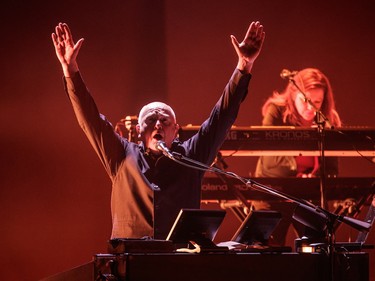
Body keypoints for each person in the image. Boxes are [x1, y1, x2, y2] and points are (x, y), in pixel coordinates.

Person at [51, 21, 265, 240]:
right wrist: (70, 71)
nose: (158, 125)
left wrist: (244, 66)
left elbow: (222, 117)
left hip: (177, 262)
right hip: (131, 262)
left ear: (176, 130)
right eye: (151, 120)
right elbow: (90, 120)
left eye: (164, 120)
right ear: (138, 130)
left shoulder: (190, 157)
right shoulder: (122, 156)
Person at [253, 68, 342, 246]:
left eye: (317, 101)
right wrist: (297, 176)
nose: (311, 107)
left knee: (319, 247)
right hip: (273, 193)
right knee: (268, 249)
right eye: (305, 100)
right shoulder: (276, 112)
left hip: (309, 196)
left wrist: (313, 180)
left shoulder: (327, 119)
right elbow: (270, 157)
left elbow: (331, 168)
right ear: (293, 96)